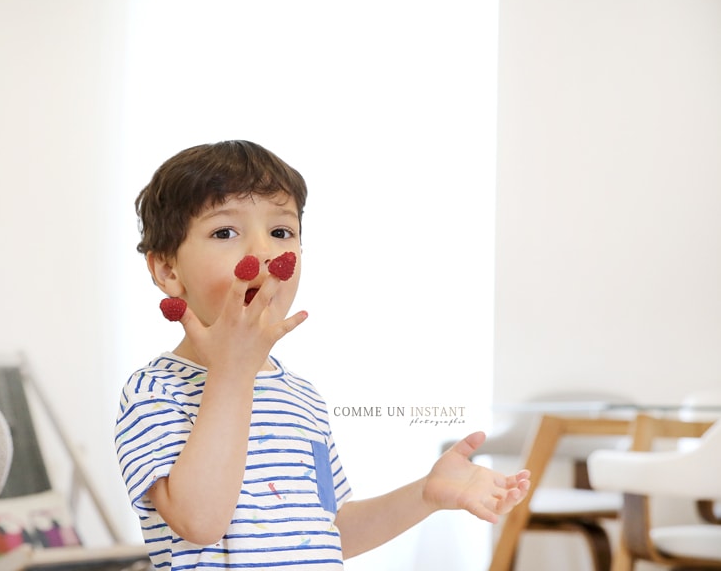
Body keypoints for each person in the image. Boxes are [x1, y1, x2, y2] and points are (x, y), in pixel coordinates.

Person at [115, 140, 531, 569]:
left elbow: (328, 530)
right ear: (167, 270)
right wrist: (232, 372)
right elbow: (199, 522)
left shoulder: (301, 396)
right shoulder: (156, 391)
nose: (264, 254)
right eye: (225, 232)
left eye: (281, 232)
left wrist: (425, 493)